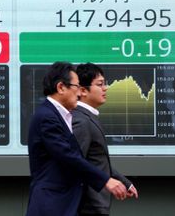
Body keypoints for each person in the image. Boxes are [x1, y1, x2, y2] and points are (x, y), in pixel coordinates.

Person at [26, 62, 128, 216]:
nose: (79, 93)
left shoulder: (60, 115)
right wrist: (106, 180)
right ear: (61, 87)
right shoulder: (47, 117)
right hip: (53, 204)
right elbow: (68, 156)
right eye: (76, 87)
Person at [73, 63, 138, 216]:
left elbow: (97, 162)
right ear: (83, 90)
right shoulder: (81, 121)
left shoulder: (88, 118)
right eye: (100, 84)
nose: (105, 88)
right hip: (89, 206)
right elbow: (76, 163)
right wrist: (106, 182)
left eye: (105, 84)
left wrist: (124, 182)